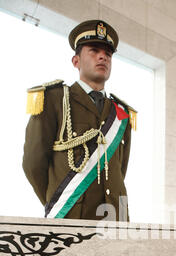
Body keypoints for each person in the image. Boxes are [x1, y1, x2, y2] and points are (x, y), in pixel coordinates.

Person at [23, 20, 137, 221]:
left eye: (108, 54)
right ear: (76, 61)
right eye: (94, 50)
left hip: (116, 220)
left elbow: (120, 170)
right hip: (71, 217)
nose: (103, 56)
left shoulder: (121, 113)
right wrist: (59, 200)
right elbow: (33, 164)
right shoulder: (54, 99)